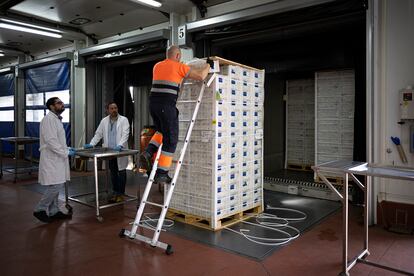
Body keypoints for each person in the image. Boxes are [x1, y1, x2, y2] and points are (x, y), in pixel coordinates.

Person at [139, 45, 210, 185]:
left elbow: (170, 75)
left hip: (153, 105)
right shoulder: (179, 67)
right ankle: (162, 173)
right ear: (178, 56)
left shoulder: (157, 66)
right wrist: (209, 65)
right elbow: (201, 76)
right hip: (166, 106)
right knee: (171, 140)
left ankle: (148, 152)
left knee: (161, 131)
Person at [33, 97, 75, 223]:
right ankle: (40, 209)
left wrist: (67, 148)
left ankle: (54, 211)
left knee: (56, 182)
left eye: (62, 102)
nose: (62, 104)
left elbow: (58, 141)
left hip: (57, 157)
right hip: (52, 158)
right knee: (57, 184)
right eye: (59, 103)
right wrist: (66, 152)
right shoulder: (48, 120)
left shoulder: (56, 119)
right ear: (51, 106)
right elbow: (51, 141)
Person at [84, 102, 130, 203]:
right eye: (112, 108)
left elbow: (125, 134)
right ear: (108, 110)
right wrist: (92, 144)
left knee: (121, 172)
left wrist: (121, 145)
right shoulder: (104, 121)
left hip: (120, 151)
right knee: (113, 172)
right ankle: (115, 192)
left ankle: (121, 194)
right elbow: (98, 134)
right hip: (110, 151)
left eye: (115, 108)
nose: (114, 110)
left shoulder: (124, 120)